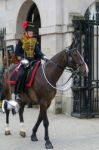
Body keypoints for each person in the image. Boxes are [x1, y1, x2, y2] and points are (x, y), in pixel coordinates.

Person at [15, 21, 47, 103]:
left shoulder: (34, 41)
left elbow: (38, 52)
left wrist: (43, 56)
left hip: (33, 60)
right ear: (26, 32)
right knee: (21, 75)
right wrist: (22, 59)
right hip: (24, 61)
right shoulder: (21, 40)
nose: (31, 33)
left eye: (32, 32)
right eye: (29, 32)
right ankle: (17, 93)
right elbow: (17, 52)